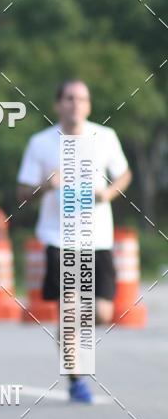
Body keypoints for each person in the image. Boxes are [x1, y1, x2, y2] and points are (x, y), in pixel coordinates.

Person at [17, 79, 132, 402]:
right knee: (69, 310)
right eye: (69, 98)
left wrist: (108, 193)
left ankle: (72, 329)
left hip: (98, 237)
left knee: (103, 313)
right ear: (58, 104)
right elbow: (23, 192)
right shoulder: (41, 143)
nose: (75, 104)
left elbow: (124, 174)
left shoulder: (105, 137)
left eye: (82, 99)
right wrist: (46, 185)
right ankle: (76, 380)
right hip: (60, 238)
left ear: (89, 105)